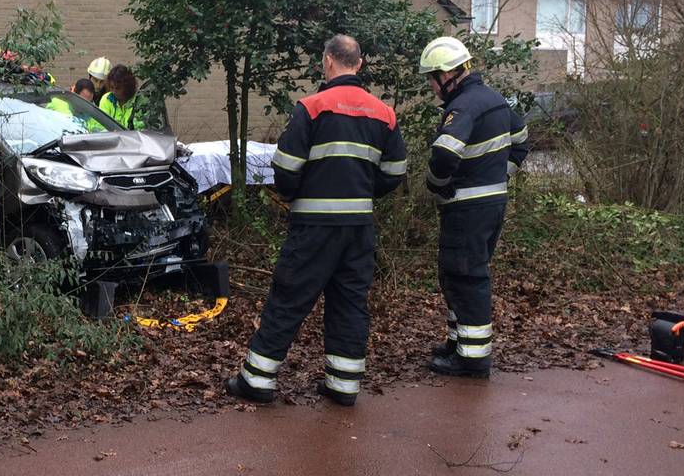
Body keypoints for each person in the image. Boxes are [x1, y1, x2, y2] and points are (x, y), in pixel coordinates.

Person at [226, 35, 407, 407]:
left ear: (327, 61)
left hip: (314, 226)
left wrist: (298, 193)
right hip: (359, 228)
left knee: (289, 297)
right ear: (359, 63)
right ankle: (343, 385)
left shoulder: (311, 107)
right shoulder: (384, 114)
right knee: (350, 302)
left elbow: (285, 169)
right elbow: (394, 173)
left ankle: (258, 380)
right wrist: (363, 192)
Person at [418, 36, 529, 378]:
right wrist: (498, 178)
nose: (432, 87)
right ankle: (458, 341)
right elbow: (521, 143)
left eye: (431, 79)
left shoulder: (463, 106)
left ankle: (472, 357)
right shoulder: (495, 100)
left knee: (466, 276)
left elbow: (445, 153)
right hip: (491, 206)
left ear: (447, 74)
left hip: (466, 208)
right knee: (456, 274)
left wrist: (437, 185)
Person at [98, 64, 145, 130]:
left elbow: (141, 128)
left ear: (127, 87)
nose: (114, 91)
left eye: (118, 88)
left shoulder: (139, 101)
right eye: (111, 87)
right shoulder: (106, 99)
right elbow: (100, 125)